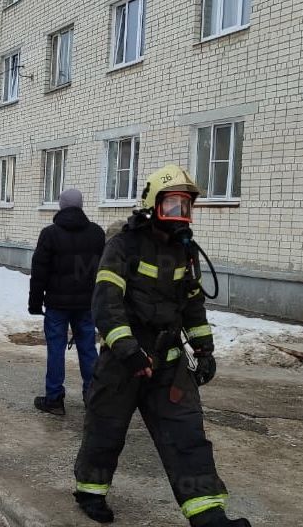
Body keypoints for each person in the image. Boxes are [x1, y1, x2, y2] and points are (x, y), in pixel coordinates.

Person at [73, 165, 250, 527]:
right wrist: (129, 350)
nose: (179, 214)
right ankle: (90, 490)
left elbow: (193, 305)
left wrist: (204, 349)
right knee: (105, 428)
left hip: (168, 363)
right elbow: (106, 305)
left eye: (185, 206)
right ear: (153, 204)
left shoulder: (185, 253)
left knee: (187, 436)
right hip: (123, 363)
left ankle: (208, 515)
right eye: (172, 205)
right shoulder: (122, 246)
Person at [29, 188, 106, 416]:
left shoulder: (50, 234)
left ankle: (54, 399)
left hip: (57, 305)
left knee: (56, 349)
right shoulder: (97, 233)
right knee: (88, 349)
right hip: (86, 304)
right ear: (81, 205)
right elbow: (104, 269)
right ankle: (92, 396)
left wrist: (35, 302)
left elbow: (39, 271)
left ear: (61, 206)